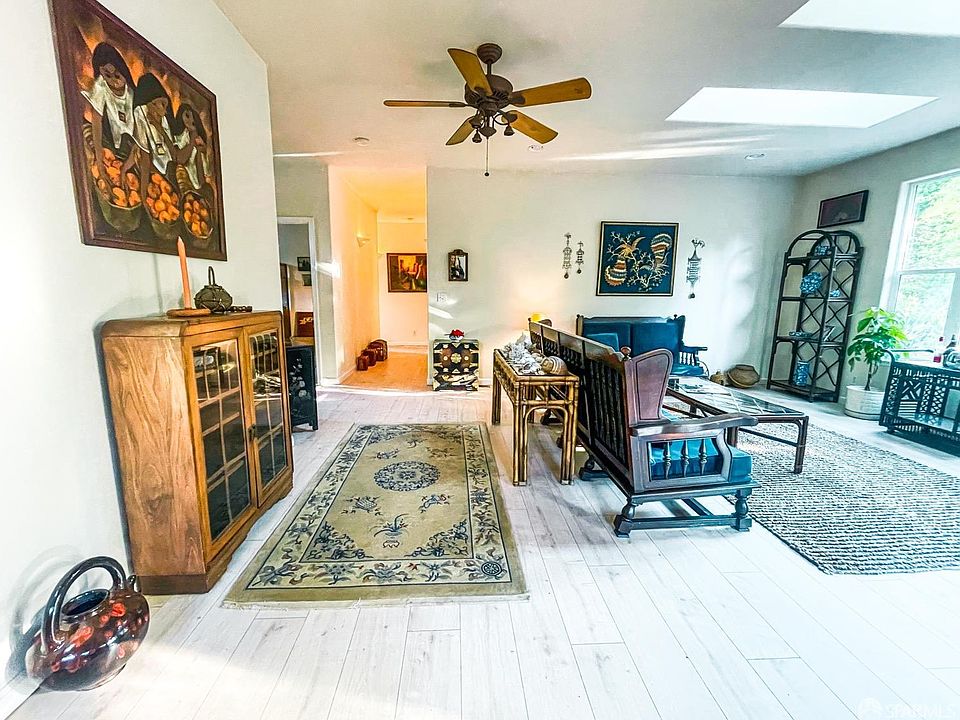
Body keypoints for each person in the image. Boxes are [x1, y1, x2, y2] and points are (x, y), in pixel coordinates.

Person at [81, 43, 135, 187]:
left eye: (117, 75)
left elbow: (140, 138)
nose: (113, 80)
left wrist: (126, 167)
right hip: (108, 138)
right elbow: (96, 121)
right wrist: (99, 160)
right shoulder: (101, 86)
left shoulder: (132, 95)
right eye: (107, 75)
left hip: (130, 145)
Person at [129, 72, 177, 180]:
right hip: (153, 171)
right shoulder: (140, 113)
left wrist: (160, 128)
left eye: (164, 104)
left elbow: (174, 156)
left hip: (169, 171)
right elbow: (144, 155)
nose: (163, 110)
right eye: (156, 104)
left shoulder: (165, 120)